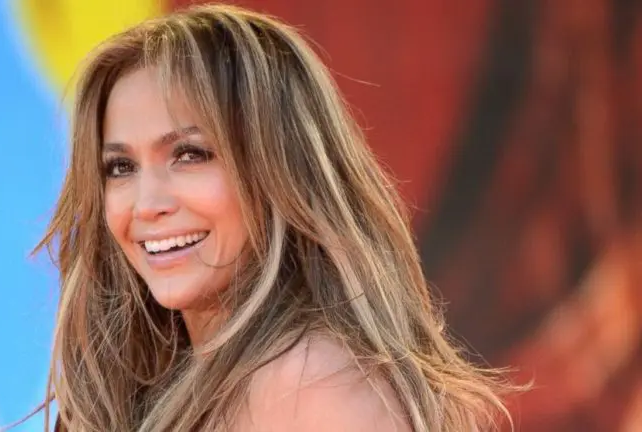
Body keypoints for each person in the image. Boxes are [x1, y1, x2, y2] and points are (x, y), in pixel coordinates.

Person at [36, 4, 514, 431]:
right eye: (121, 167)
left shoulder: (314, 385)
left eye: (190, 155)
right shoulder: (154, 386)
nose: (146, 204)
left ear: (281, 168)